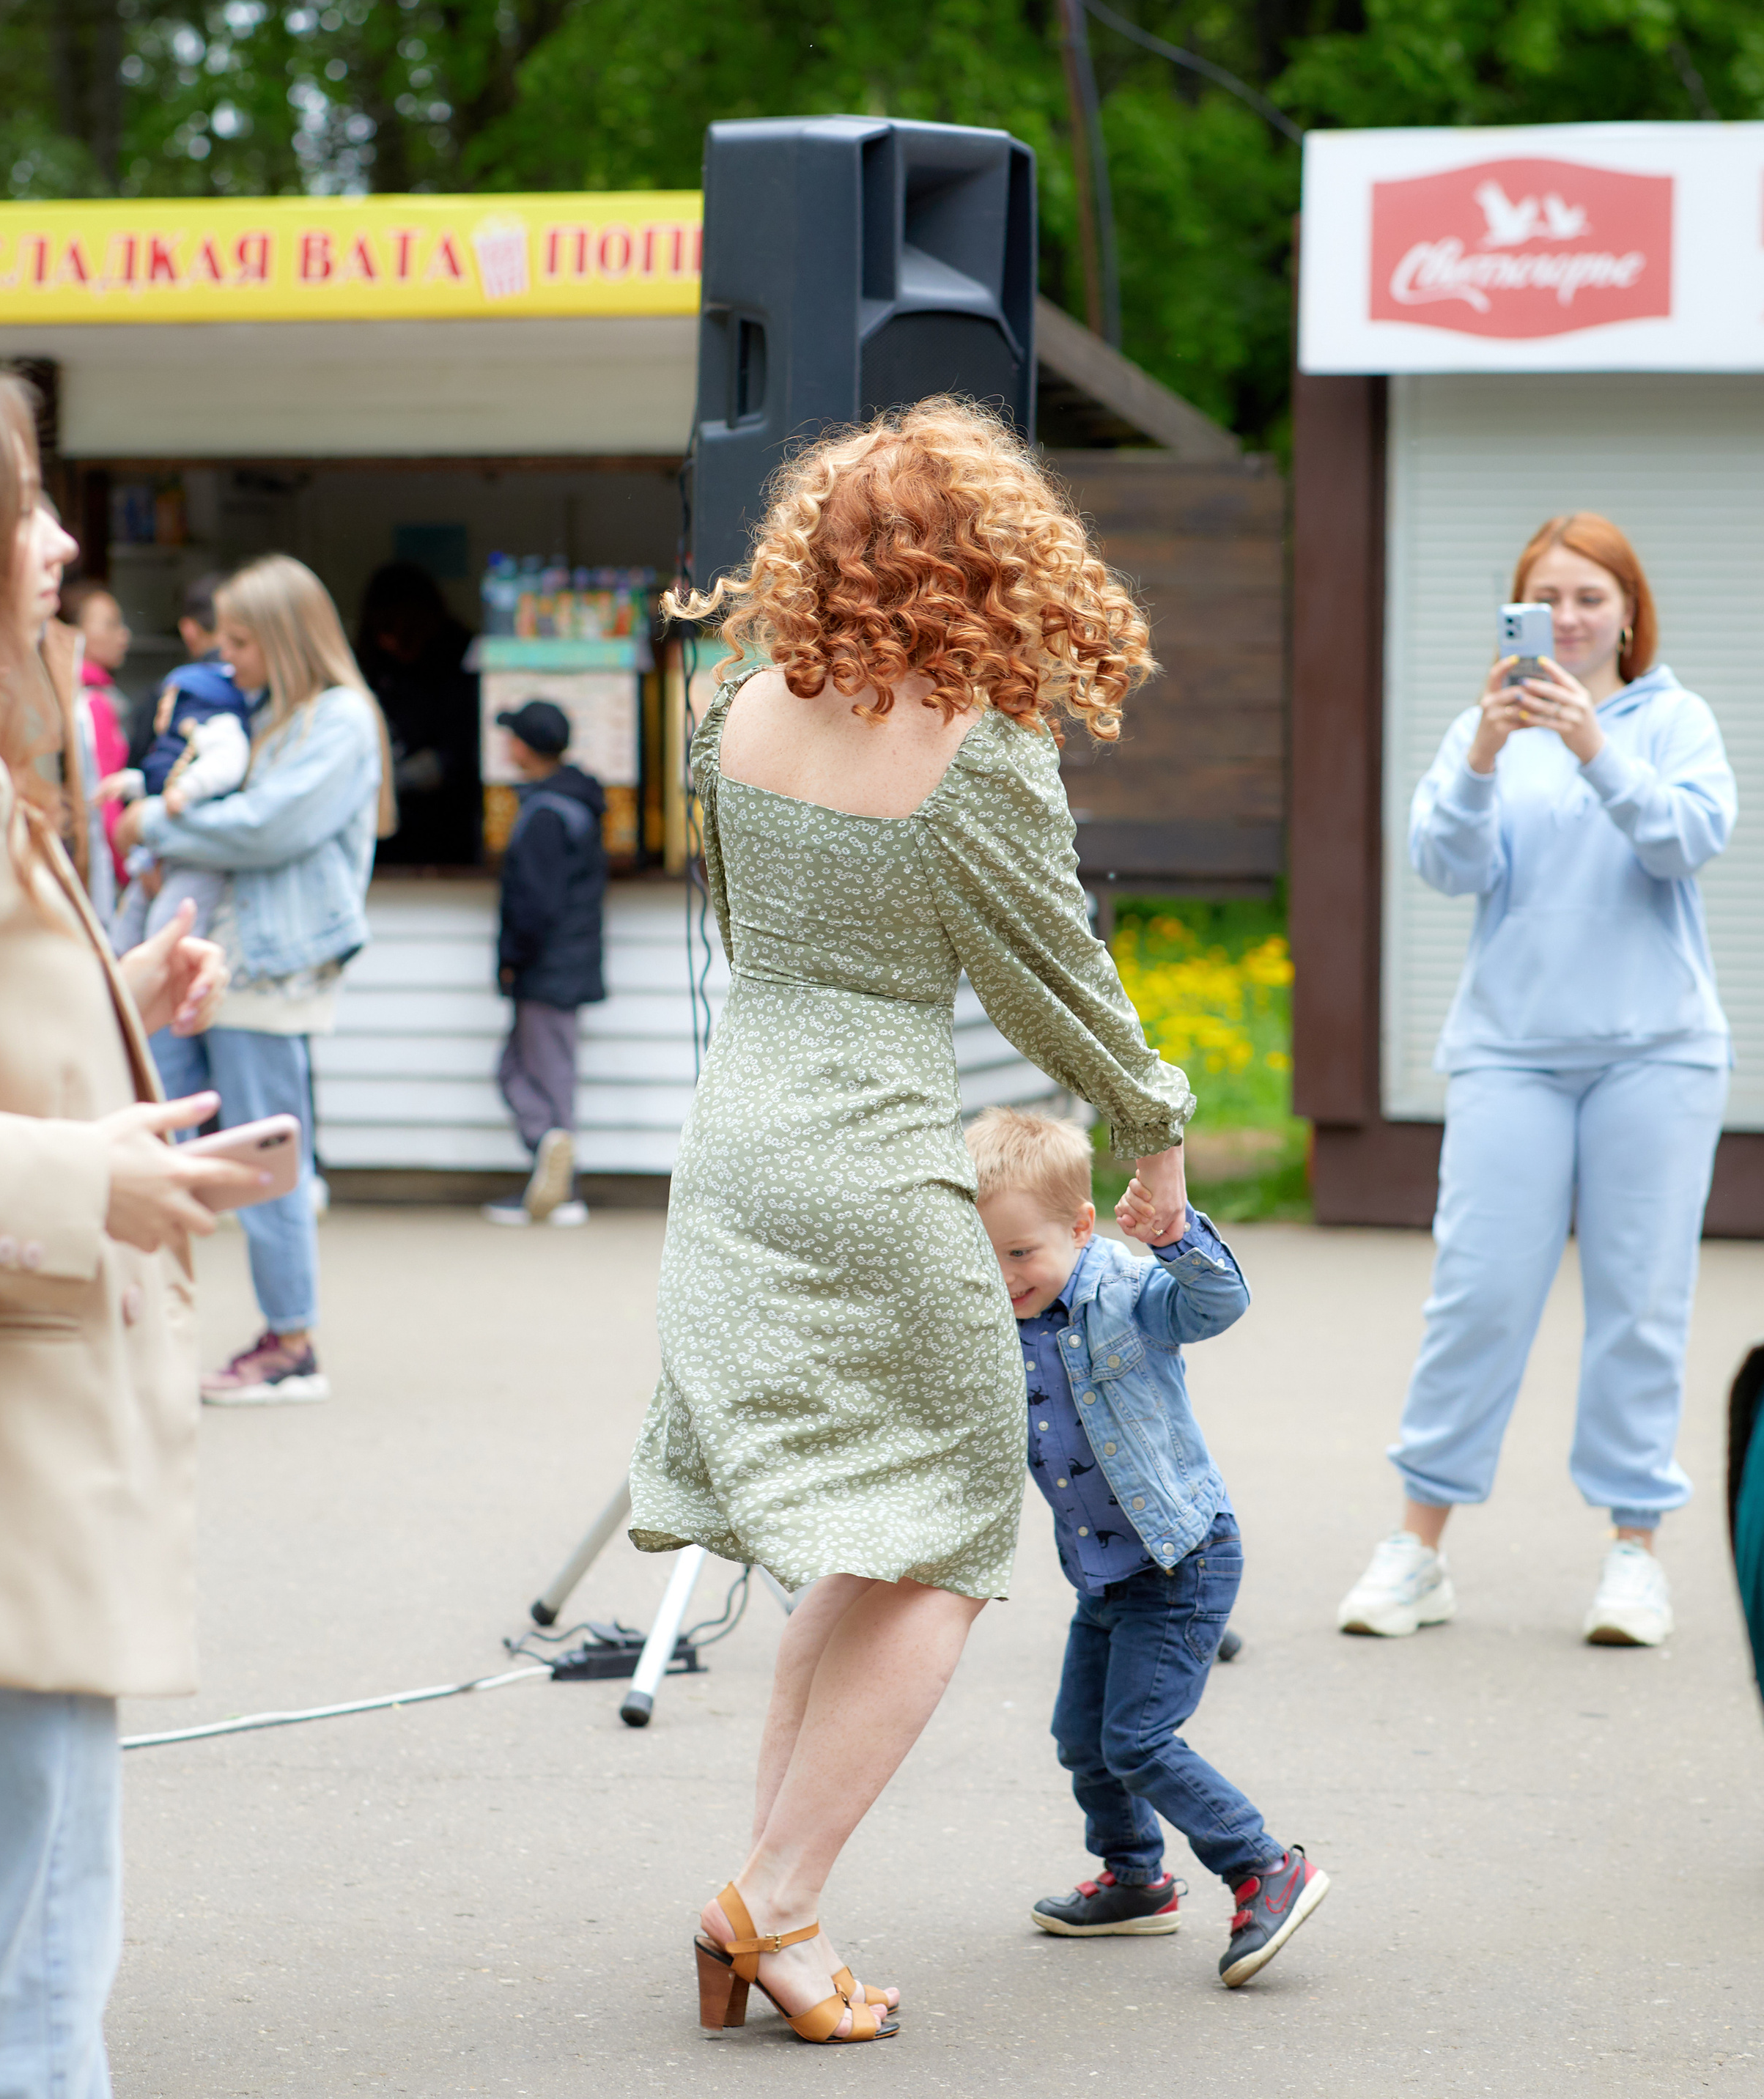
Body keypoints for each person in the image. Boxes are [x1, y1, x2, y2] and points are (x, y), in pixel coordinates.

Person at [626, 399, 1195, 2043]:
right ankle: (774, 1900)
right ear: (989, 561)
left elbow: (744, 928)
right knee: (943, 1523)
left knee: (849, 1536)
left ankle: (762, 1902)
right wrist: (1150, 1129)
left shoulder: (729, 704)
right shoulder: (972, 751)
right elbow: (1055, 985)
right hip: (875, 1159)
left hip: (733, 1142)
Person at [0, 366, 254, 2097]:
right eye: (25, 505)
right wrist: (87, 1182)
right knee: (16, 2002)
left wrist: (110, 996)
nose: (57, 541)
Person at [1339, 512, 1738, 1648]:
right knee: (1478, 1296)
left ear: (1628, 611)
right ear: (1519, 612)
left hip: (1657, 1055)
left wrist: (1593, 746)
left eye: (1590, 599)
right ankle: (1417, 1549)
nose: (1567, 621)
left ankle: (1633, 1558)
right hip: (1511, 1052)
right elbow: (1445, 864)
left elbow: (1684, 841)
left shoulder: (1679, 719)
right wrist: (1482, 754)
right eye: (1546, 600)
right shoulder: (1484, 725)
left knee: (1641, 1307)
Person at [966, 1107, 1327, 1986]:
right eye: (986, 1255)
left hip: (1183, 1559)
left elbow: (1216, 1302)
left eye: (1022, 1253)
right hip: (1106, 1574)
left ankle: (1264, 1863)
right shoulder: (995, 1324)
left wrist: (1175, 1236)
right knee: (1081, 1739)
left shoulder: (1123, 1290)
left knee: (1137, 1737)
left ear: (1080, 1225)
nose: (1005, 1275)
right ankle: (1136, 1880)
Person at [116, 554, 396, 1406]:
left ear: (282, 634)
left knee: (265, 1160)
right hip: (225, 960)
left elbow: (267, 829)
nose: (224, 654)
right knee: (169, 1140)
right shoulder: (277, 710)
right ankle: (154, 1324)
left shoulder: (339, 719)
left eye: (240, 638)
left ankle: (290, 1342)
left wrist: (155, 825)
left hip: (266, 969)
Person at [483, 698, 606, 1228]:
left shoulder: (545, 814)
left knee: (541, 1074)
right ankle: (551, 1168)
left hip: (547, 967)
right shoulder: (569, 802)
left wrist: (512, 960)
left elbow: (533, 903)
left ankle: (562, 1183)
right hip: (565, 962)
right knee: (524, 1068)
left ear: (524, 747)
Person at [101, 575, 252, 952]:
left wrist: (143, 830)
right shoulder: (243, 700)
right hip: (162, 850)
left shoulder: (203, 705)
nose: (228, 656)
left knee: (161, 939)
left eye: (240, 643)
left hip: (179, 853)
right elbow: (158, 777)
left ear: (188, 631)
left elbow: (169, 778)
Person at [357, 559, 480, 866]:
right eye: (382, 629)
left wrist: (387, 782)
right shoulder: (370, 664)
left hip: (446, 831)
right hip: (384, 836)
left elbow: (455, 757)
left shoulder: (461, 662)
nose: (392, 641)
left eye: (404, 628)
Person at [60, 578, 133, 915]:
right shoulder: (94, 702)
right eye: (110, 624)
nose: (124, 635)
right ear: (75, 633)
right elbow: (105, 801)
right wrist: (127, 869)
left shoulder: (73, 693)